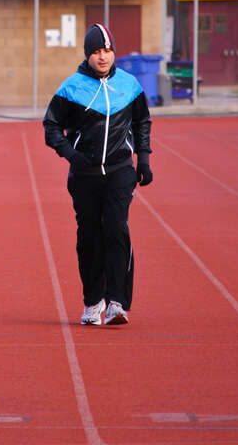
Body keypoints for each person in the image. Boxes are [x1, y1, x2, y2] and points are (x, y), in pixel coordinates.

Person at [43, 22, 153, 326]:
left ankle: (117, 302)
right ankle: (93, 302)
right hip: (85, 175)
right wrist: (70, 154)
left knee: (116, 230)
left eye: (107, 50)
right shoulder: (71, 88)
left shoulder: (130, 85)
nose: (102, 56)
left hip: (120, 171)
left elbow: (142, 122)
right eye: (96, 52)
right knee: (89, 237)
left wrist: (143, 160)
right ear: (87, 55)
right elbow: (51, 126)